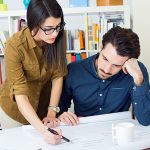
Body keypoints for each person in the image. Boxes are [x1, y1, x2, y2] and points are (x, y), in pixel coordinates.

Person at [0, 0, 67, 144]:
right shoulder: (15, 46)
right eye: (49, 28)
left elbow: (58, 76)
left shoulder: (59, 36)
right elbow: (20, 95)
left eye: (58, 26)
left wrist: (51, 112)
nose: (55, 33)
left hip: (43, 111)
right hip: (15, 113)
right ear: (34, 24)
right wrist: (44, 131)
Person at [58, 26, 150, 126]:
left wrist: (139, 79)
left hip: (118, 132)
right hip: (83, 132)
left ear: (129, 61)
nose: (106, 70)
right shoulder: (73, 70)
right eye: (105, 59)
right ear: (101, 48)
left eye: (116, 65)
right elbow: (59, 109)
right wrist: (61, 115)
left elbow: (145, 120)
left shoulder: (136, 71)